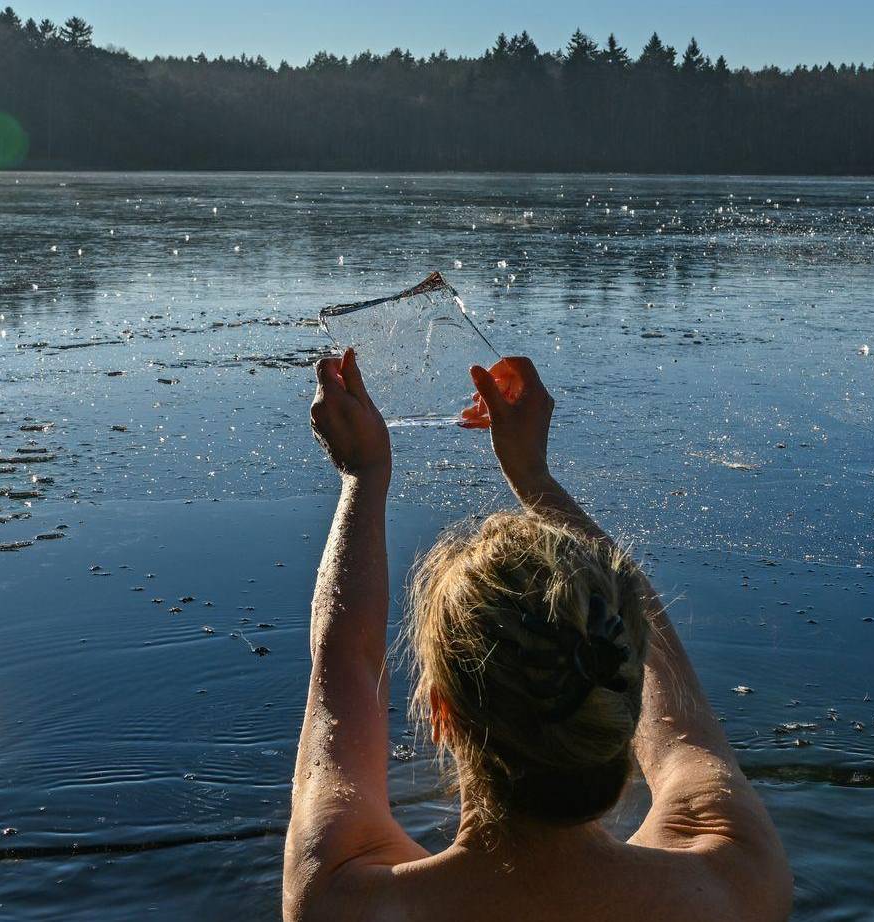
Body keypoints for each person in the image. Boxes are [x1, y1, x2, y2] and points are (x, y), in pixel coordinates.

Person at [285, 349, 790, 921]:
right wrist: (532, 475)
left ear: (441, 713)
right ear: (623, 693)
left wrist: (363, 476)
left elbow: (345, 663)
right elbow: (678, 716)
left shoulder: (343, 903)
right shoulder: (737, 884)